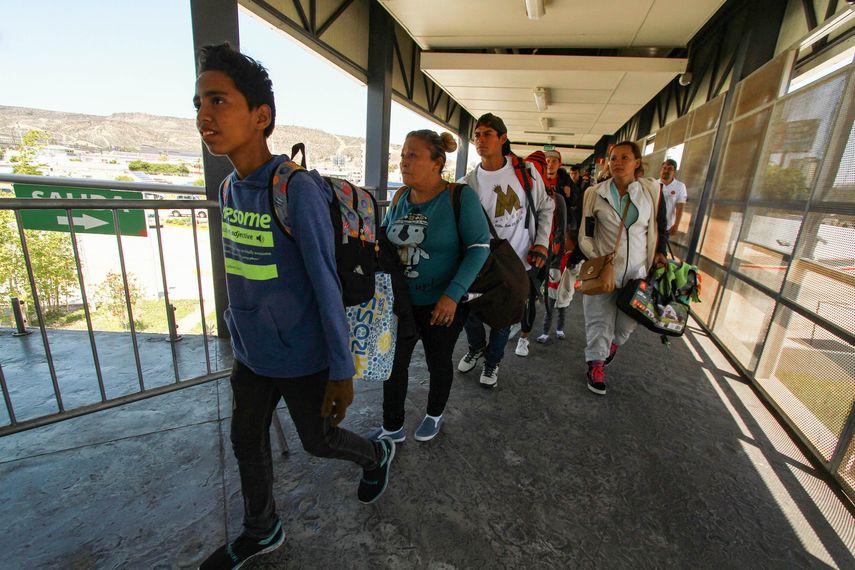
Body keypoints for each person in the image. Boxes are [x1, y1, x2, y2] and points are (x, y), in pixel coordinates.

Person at [194, 44, 395, 570]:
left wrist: (340, 369)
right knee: (245, 439)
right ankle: (262, 529)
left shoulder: (295, 189)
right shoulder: (231, 188)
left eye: (218, 101)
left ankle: (377, 453)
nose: (204, 116)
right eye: (198, 103)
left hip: (302, 355)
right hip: (252, 353)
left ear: (261, 117)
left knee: (319, 441)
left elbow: (326, 284)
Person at [366, 130, 490, 443]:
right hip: (401, 303)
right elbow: (384, 238)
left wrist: (453, 295)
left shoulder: (459, 197)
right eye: (403, 154)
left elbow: (479, 247)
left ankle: (434, 414)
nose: (403, 162)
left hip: (443, 303)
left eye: (413, 155)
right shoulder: (399, 198)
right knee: (394, 365)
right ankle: (392, 426)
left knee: (438, 361)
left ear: (436, 163)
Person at [456, 113, 554, 386]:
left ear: (502, 138)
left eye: (487, 134)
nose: (480, 140)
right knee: (470, 309)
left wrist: (542, 243)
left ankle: (492, 362)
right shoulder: (468, 183)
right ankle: (476, 347)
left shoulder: (525, 172)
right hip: (484, 262)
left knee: (506, 316)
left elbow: (546, 207)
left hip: (521, 260)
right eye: (476, 135)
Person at [577, 141, 668, 396]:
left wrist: (659, 252)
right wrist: (598, 259)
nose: (617, 162)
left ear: (637, 162)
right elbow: (586, 234)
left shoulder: (650, 192)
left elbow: (660, 226)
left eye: (624, 158)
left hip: (637, 272)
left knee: (626, 325)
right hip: (604, 271)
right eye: (613, 158)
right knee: (598, 321)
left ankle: (611, 346)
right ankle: (595, 365)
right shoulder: (595, 193)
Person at [532, 150, 568, 344]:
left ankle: (553, 327)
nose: (550, 165)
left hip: (551, 253)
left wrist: (557, 256)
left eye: (553, 161)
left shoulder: (559, 196)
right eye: (547, 161)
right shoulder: (531, 190)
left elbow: (562, 228)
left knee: (553, 293)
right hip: (531, 249)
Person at [658, 158, 688, 236]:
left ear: (674, 172)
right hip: (650, 225)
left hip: (666, 227)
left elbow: (680, 207)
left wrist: (676, 225)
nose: (666, 171)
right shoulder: (653, 184)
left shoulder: (680, 186)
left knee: (661, 247)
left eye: (670, 169)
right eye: (664, 168)